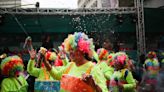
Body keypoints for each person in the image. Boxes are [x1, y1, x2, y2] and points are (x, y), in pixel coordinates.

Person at [43, 32, 108, 92]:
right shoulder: (70, 65)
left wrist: (94, 85)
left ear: (83, 50)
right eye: (70, 49)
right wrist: (45, 62)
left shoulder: (93, 68)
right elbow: (56, 75)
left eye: (73, 49)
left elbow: (104, 90)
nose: (70, 52)